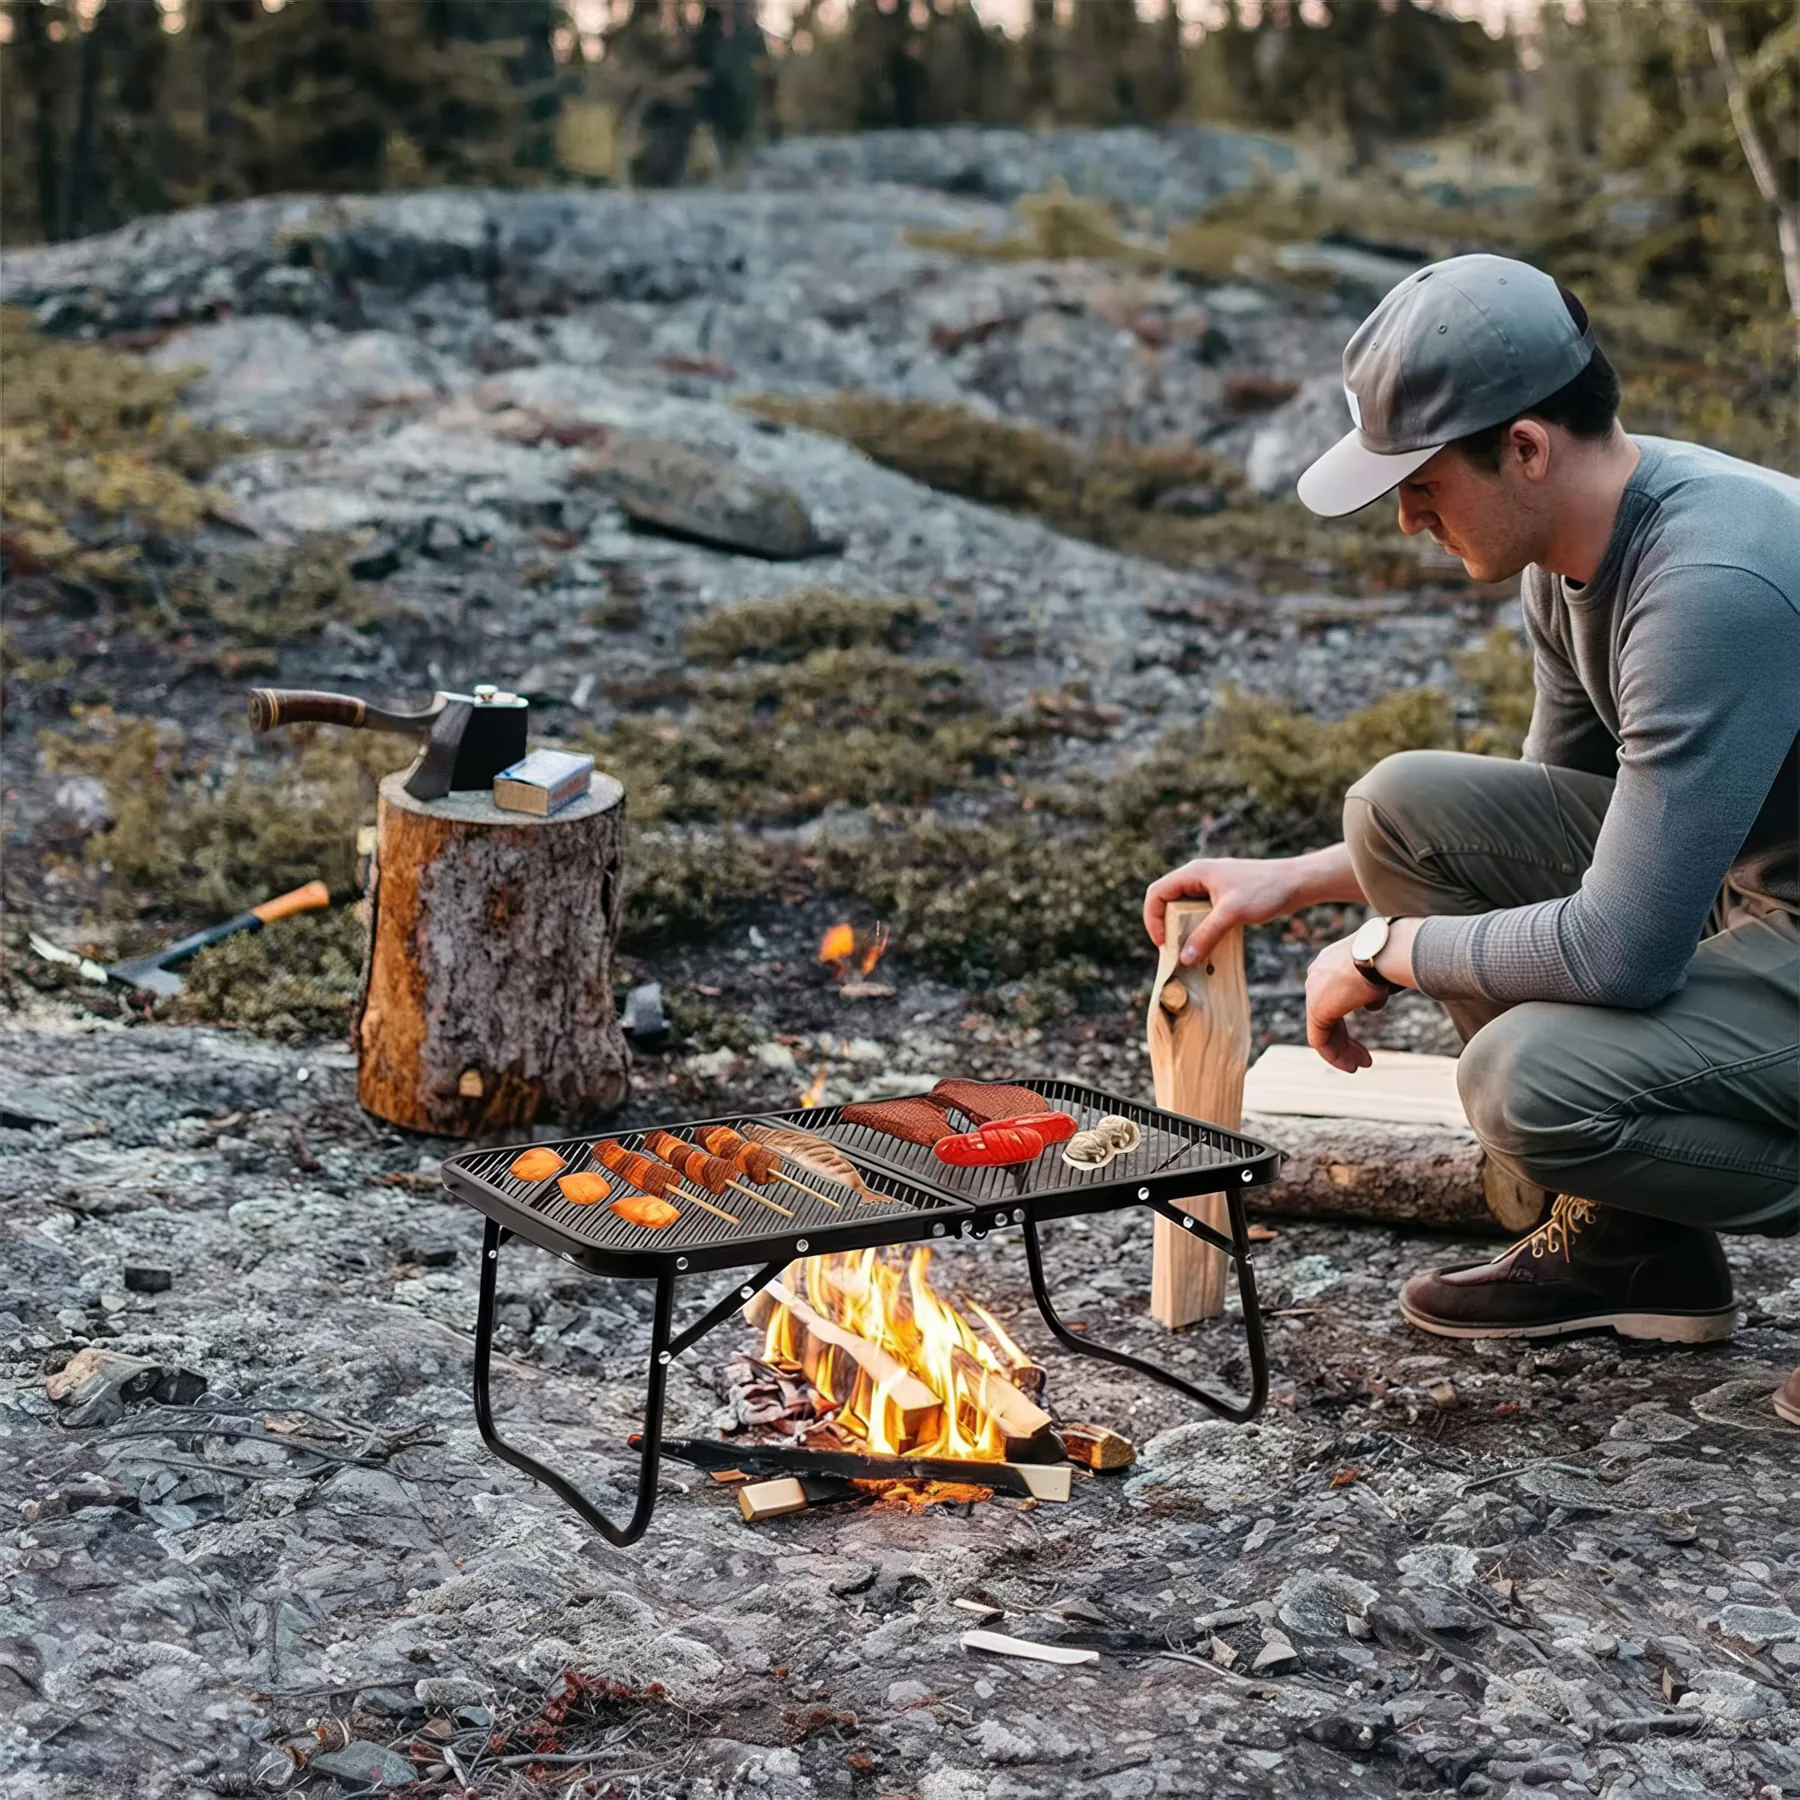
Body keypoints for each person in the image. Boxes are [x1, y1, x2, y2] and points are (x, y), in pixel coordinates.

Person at [1143, 254, 1799, 1427]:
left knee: (1525, 1084)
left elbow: (1618, 951)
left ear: (1529, 448)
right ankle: (1631, 1251)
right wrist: (1298, 882)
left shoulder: (1707, 584)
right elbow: (1568, 818)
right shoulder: (1574, 557)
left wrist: (1389, 951)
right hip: (1762, 903)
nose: (1406, 517)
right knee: (1403, 807)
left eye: (1424, 482)